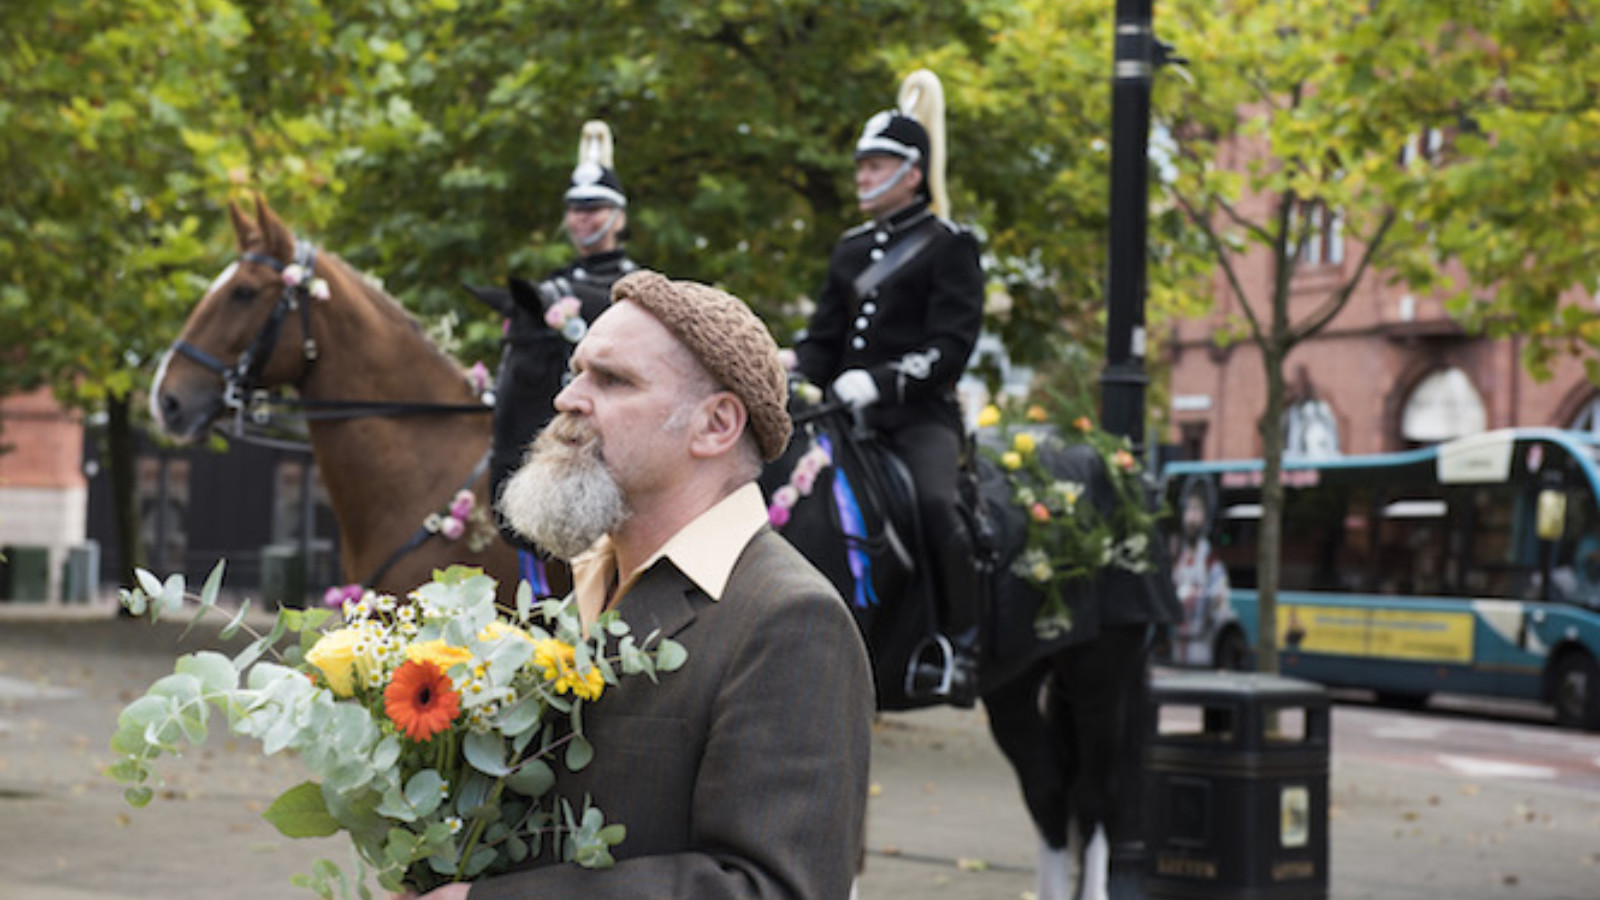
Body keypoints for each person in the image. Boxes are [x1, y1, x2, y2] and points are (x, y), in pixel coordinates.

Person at [408, 270, 873, 900]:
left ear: (715, 425)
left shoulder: (790, 619)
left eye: (613, 380)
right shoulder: (578, 589)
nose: (567, 399)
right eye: (576, 372)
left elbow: (776, 889)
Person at [789, 69, 986, 703]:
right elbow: (823, 344)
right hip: (845, 425)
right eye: (861, 166)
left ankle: (961, 645)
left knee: (937, 506)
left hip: (916, 419)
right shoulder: (848, 250)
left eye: (877, 166)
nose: (862, 178)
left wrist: (878, 383)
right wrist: (784, 367)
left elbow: (951, 346)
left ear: (913, 173)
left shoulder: (950, 246)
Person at [467, 120, 640, 595]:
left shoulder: (636, 287)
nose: (584, 219)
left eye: (596, 208)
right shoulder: (551, 287)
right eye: (576, 210)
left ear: (619, 218)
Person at [1170, 478, 1233, 666]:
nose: (1190, 517)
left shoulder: (1212, 564)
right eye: (1188, 509)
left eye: (1196, 509)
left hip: (1201, 651)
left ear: (1206, 516)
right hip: (1177, 651)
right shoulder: (1177, 559)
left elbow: (1221, 610)